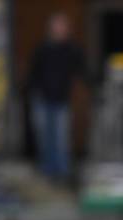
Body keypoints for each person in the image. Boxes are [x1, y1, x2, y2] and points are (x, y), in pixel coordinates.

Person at [27, 12, 85, 182]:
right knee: (45, 136)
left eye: (63, 26)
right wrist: (32, 91)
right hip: (42, 99)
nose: (60, 29)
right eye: (57, 25)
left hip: (62, 100)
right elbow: (34, 73)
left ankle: (62, 171)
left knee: (61, 137)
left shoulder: (71, 50)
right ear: (51, 28)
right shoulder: (42, 49)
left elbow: (81, 70)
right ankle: (47, 170)